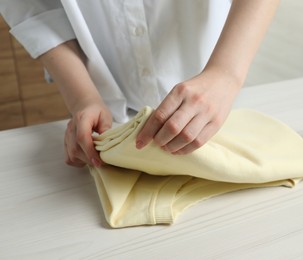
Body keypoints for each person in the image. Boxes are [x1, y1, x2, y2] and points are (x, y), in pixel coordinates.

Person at [0, 0, 279, 168]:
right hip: (106, 111)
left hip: (221, 96)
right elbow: (32, 4)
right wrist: (82, 98)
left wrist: (226, 72)